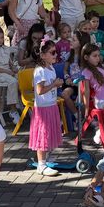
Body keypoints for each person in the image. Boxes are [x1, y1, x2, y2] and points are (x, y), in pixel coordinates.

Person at [30, 40, 64, 177]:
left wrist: (57, 84)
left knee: (49, 133)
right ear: (43, 55)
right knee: (42, 136)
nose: (55, 55)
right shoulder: (40, 71)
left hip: (51, 105)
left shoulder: (50, 68)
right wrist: (54, 84)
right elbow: (40, 90)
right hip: (43, 108)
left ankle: (46, 158)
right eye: (52, 52)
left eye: (56, 52)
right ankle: (41, 165)